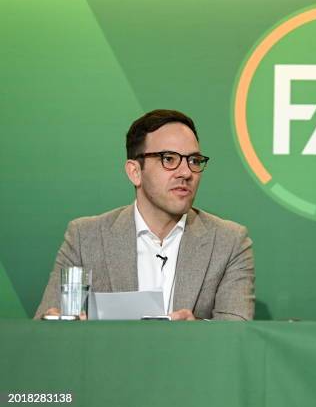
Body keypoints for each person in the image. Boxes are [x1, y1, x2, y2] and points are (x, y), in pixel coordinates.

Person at [35, 109, 254, 320]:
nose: (186, 173)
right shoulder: (85, 237)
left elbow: (238, 335)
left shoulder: (229, 242)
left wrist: (195, 330)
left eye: (194, 161)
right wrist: (68, 326)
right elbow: (46, 329)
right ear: (135, 172)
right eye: (169, 159)